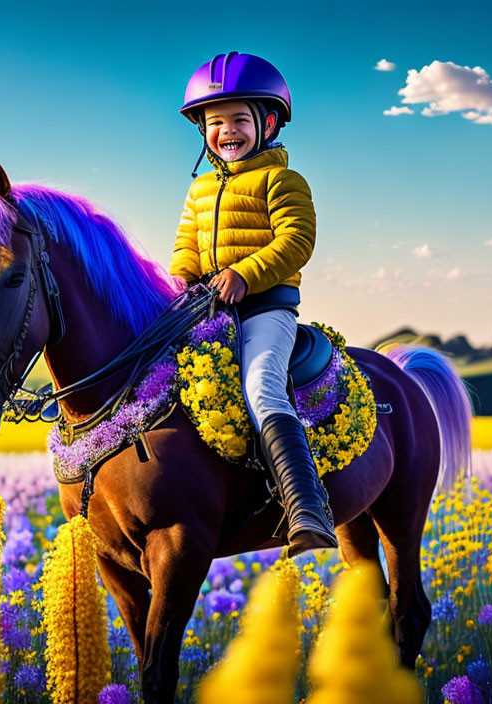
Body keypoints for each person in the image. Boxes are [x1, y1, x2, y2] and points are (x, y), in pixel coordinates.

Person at [170, 51, 338, 555]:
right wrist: (179, 276)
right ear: (203, 130)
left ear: (267, 123)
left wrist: (245, 274)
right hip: (207, 311)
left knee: (262, 387)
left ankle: (306, 510)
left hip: (267, 310)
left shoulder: (284, 181)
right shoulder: (198, 189)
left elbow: (296, 241)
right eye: (215, 122)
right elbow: (187, 244)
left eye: (239, 120)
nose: (227, 131)